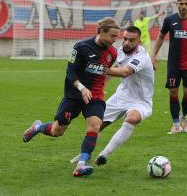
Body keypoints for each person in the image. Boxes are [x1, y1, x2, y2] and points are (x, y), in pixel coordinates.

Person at [22, 17, 120, 177]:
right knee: (57, 130)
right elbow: (70, 72)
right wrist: (81, 88)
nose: (115, 40)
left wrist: (100, 87)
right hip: (74, 95)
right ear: (102, 32)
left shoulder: (112, 53)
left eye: (117, 37)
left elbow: (104, 72)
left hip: (94, 95)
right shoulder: (82, 47)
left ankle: (81, 164)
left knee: (95, 126)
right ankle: (38, 127)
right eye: (113, 36)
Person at [71, 26, 154, 166]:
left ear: (139, 41)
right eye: (125, 39)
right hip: (121, 95)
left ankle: (104, 154)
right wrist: (103, 83)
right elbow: (116, 67)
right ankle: (84, 154)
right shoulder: (121, 50)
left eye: (132, 40)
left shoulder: (141, 56)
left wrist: (98, 68)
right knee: (96, 125)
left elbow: (125, 72)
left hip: (141, 100)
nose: (127, 43)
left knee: (132, 118)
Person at [150, 0, 187, 134]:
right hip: (173, 64)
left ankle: (184, 117)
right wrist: (153, 55)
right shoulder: (169, 20)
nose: (184, 6)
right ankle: (175, 124)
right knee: (173, 92)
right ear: (177, 4)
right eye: (181, 3)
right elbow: (160, 37)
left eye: (186, 3)